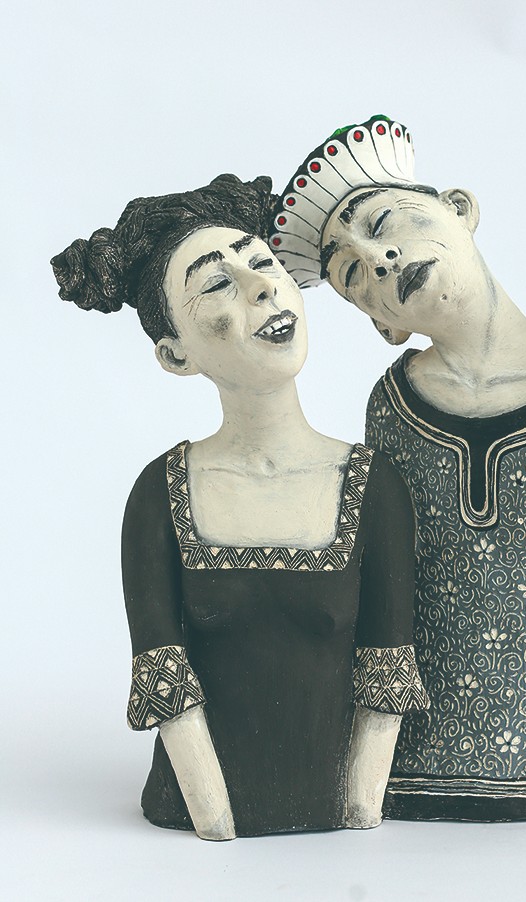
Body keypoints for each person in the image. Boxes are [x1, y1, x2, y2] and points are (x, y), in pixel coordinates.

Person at [269, 117, 526, 820]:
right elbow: (383, 580)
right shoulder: (391, 407)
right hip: (408, 762)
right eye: (352, 275)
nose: (379, 259)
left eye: (383, 223)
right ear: (382, 323)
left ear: (459, 209)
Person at [51, 173, 428, 839]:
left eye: (263, 263)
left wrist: (359, 807)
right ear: (175, 355)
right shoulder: (160, 494)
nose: (261, 288)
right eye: (216, 283)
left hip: (336, 813)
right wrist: (215, 820)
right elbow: (162, 672)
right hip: (195, 809)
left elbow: (387, 668)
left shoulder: (374, 486)